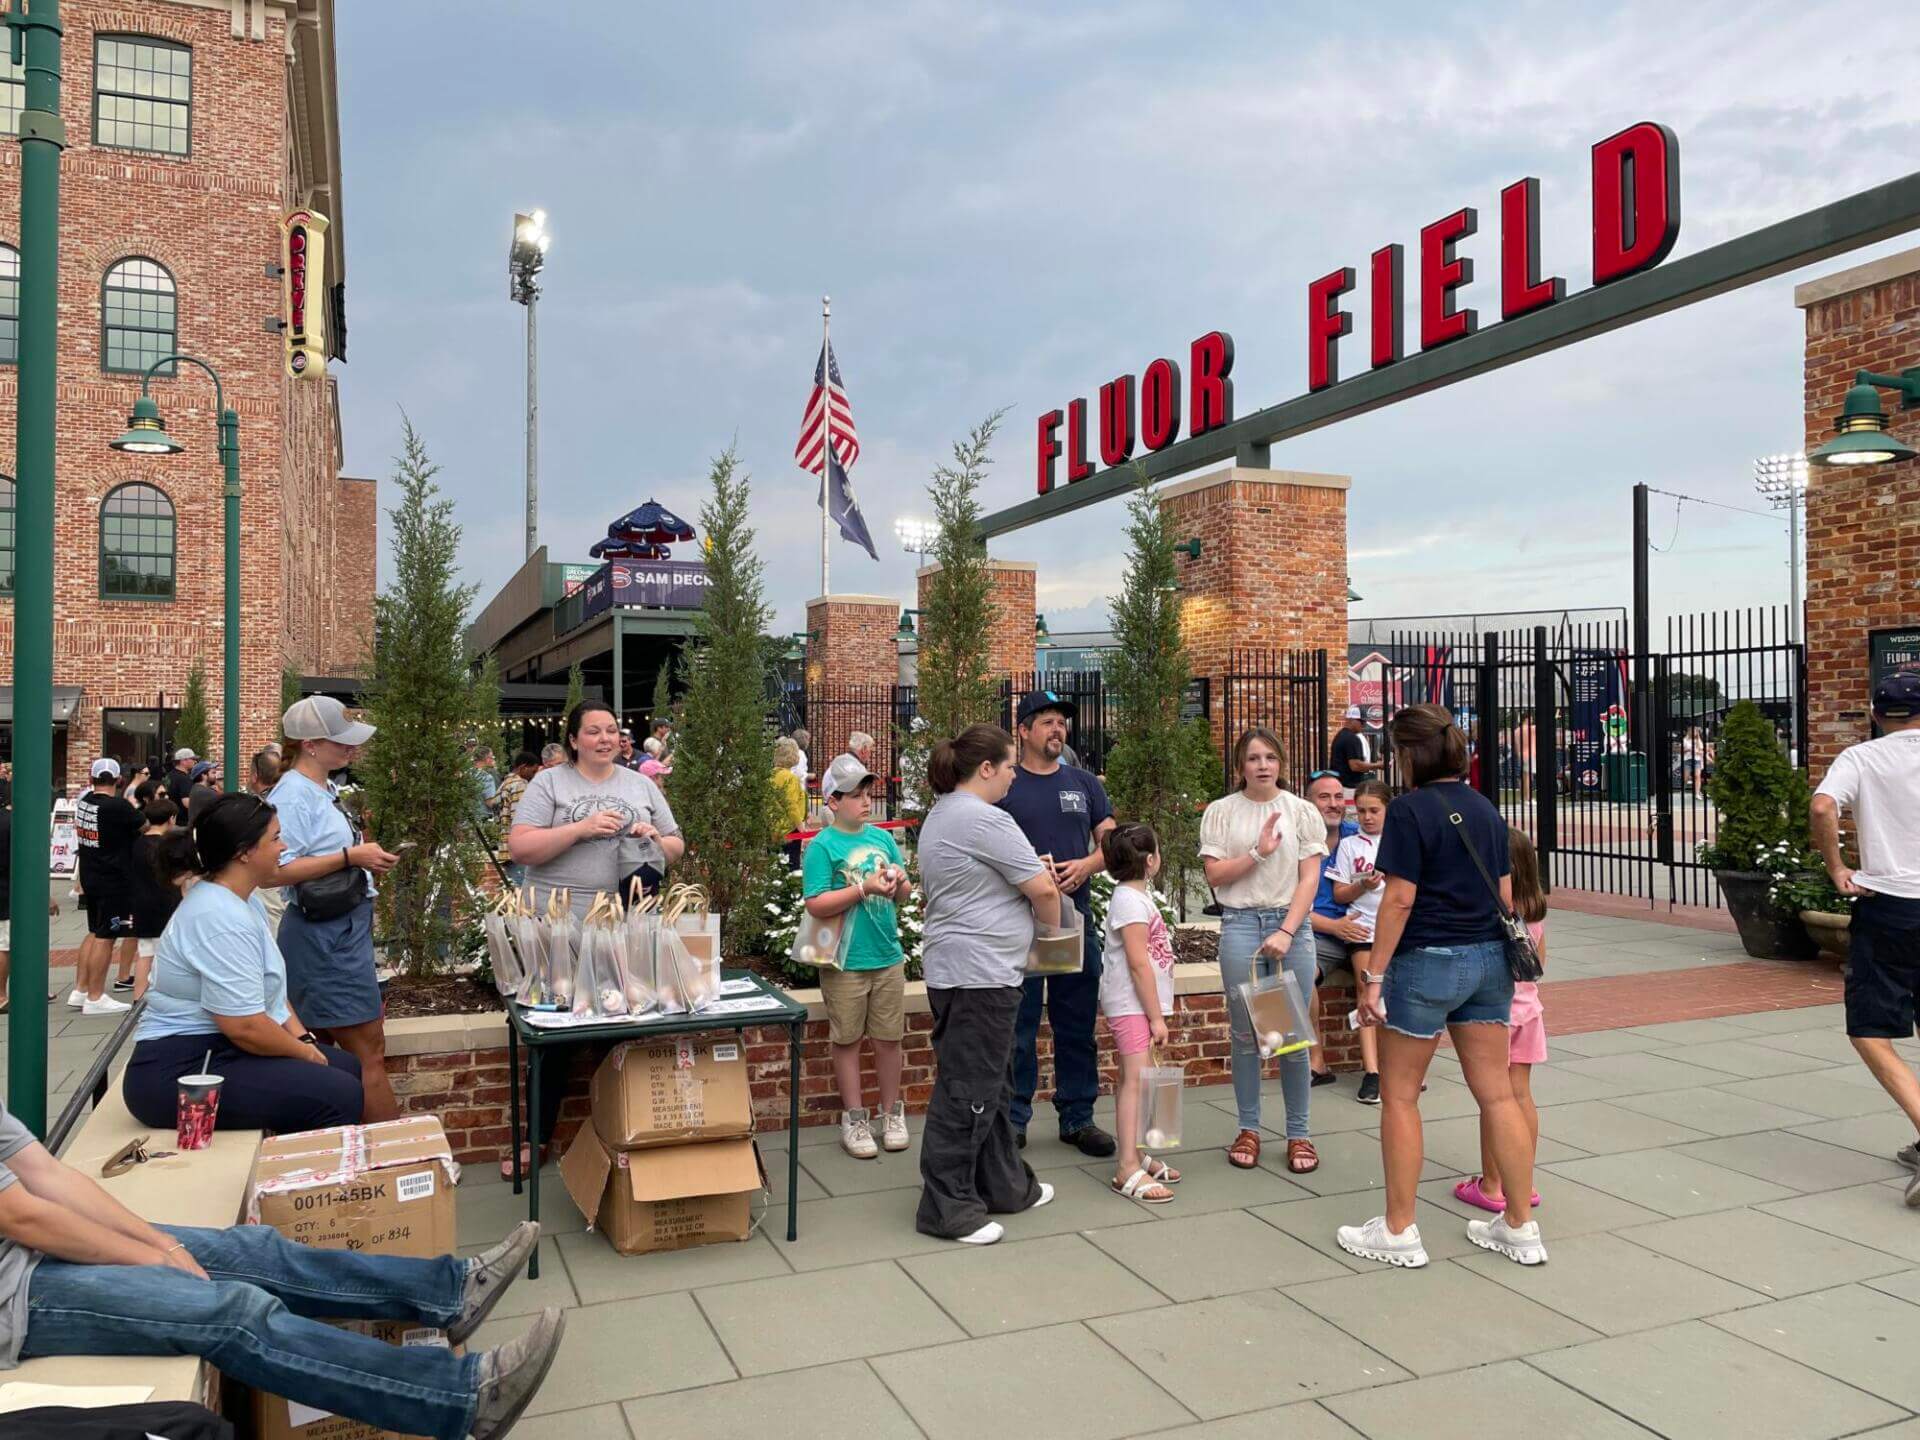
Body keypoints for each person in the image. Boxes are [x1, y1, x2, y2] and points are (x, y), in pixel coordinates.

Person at [0, 1120, 564, 1440]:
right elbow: (22, 1215)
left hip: (29, 1248)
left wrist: (160, 1243)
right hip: (15, 1295)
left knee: (247, 1250)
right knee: (234, 1314)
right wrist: (146, 1257)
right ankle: (462, 1399)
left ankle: (449, 1292)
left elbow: (46, 1175)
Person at [1340, 703, 1545, 1269]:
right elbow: (1505, 895)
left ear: (1411, 754)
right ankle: (1519, 1224)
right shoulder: (1484, 808)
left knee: (1400, 1094)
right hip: (1488, 961)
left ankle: (1400, 1229)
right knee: (1497, 1094)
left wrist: (1374, 975)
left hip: (1426, 960)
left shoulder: (1409, 812)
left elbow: (1399, 899)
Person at [508, 700, 685, 1175]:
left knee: (621, 1033)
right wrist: (581, 828)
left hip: (624, 927)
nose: (605, 739)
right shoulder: (549, 783)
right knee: (555, 1036)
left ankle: (618, 1139)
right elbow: (520, 846)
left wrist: (652, 837)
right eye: (593, 732)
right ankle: (537, 1138)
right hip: (558, 927)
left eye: (611, 730)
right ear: (573, 740)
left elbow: (675, 845)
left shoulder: (640, 784)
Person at [122, 793, 366, 1132]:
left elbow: (271, 994)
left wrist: (305, 1040)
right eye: (276, 838)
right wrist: (306, 1055)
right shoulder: (218, 916)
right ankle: (305, 1181)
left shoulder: (240, 901)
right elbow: (245, 1027)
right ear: (244, 852)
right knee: (338, 1094)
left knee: (346, 1067)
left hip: (217, 1048)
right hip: (180, 1069)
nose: (284, 847)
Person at [915, 724, 1059, 1244]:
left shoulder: (945, 814)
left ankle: (1004, 1185)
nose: (1015, 775)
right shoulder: (984, 818)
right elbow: (1042, 890)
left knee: (994, 1085)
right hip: (978, 975)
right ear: (986, 769)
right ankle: (946, 1208)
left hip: (970, 970)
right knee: (969, 1090)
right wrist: (1050, 932)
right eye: (1009, 765)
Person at [1812, 670, 1920, 1209]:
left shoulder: (1863, 757)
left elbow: (1822, 807)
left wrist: (1837, 867)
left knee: (1872, 1028)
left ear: (1877, 714)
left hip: (1892, 905)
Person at [270, 696, 401, 1124]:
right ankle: (394, 1159)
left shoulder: (316, 789)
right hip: (327, 935)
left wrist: (357, 859)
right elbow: (276, 869)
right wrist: (352, 857)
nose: (351, 749)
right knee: (369, 1053)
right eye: (340, 741)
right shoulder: (294, 795)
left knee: (326, 1047)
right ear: (309, 743)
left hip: (330, 930)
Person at [1200, 730, 1326, 1173]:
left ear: (1282, 762)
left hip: (1289, 927)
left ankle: (1299, 1133)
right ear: (1240, 766)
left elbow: (1309, 879)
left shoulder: (1302, 812)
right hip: (1240, 925)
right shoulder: (1222, 812)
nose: (1262, 765)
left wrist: (1288, 931)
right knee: (1247, 1034)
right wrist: (1258, 851)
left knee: (1290, 1035)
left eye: (1270, 756)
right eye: (1253, 758)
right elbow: (1215, 876)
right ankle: (1249, 1127)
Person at [998, 691, 1117, 1157]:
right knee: (1019, 1026)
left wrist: (1089, 865)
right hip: (1019, 923)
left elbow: (1113, 843)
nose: (1056, 729)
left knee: (1075, 1021)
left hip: (1072, 923)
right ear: (1023, 730)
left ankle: (1078, 1117)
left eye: (1060, 722)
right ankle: (1014, 1119)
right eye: (1046, 721)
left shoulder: (1084, 783)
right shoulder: (1006, 785)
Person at [804, 755, 913, 1159]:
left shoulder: (883, 839)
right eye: (855, 795)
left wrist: (900, 881)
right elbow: (816, 903)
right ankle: (854, 1116)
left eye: (868, 794)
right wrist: (863, 889)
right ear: (832, 802)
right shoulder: (822, 847)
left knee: (889, 1038)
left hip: (886, 954)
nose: (866, 802)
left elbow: (903, 894)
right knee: (847, 1040)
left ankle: (891, 1113)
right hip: (845, 960)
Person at [1456, 825, 1548, 1215]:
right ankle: (1522, 1182)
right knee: (1521, 1096)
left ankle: (1492, 1184)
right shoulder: (1535, 912)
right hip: (1530, 1012)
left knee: (1493, 1101)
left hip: (1495, 1015)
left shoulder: (1489, 913)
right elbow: (1539, 966)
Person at [1100, 822, 1182, 1204]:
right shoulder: (1130, 902)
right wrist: (1155, 1017)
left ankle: (1134, 1150)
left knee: (1133, 1078)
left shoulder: (1133, 898)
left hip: (1137, 1006)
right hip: (1133, 1006)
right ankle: (1126, 1166)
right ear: (1151, 861)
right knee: (1135, 1080)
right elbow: (1137, 962)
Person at [1327, 781, 1393, 1099]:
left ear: (1387, 810)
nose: (1367, 817)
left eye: (1374, 810)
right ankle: (1372, 1071)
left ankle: (1400, 1066)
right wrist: (1362, 887)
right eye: (1361, 810)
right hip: (1363, 928)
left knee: (1401, 995)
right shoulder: (1350, 846)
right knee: (1366, 992)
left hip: (1397, 930)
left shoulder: (1401, 843)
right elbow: (1340, 892)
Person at [1304, 771, 1368, 1091]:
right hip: (1322, 934)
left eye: (1338, 797)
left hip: (1363, 931)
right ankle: (1316, 1061)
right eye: (1324, 797)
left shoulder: (1360, 835)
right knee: (1299, 970)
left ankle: (1391, 1065)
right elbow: (1290, 907)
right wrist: (1335, 926)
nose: (1333, 804)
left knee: (1390, 975)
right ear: (1308, 802)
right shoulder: (1298, 844)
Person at [70, 759, 137, 1016]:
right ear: (119, 780)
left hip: (91, 875)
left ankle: (81, 989)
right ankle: (96, 996)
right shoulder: (118, 806)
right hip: (114, 879)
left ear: (92, 779)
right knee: (106, 937)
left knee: (94, 932)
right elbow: (144, 825)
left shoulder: (85, 801)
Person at [121, 795, 183, 1000]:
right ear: (171, 818)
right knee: (168, 955)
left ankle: (138, 998)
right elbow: (174, 878)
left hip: (141, 903)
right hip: (164, 905)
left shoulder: (139, 842)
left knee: (145, 953)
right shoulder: (165, 846)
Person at [771, 737, 808, 868]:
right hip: (789, 828)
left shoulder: (771, 775)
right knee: (792, 866)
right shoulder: (790, 778)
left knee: (777, 866)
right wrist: (801, 827)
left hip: (774, 827)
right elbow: (791, 804)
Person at [1332, 707, 1382, 797]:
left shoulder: (1341, 735)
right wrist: (1379, 765)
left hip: (1341, 785)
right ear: (1351, 720)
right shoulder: (1352, 738)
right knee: (1353, 811)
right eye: (1362, 722)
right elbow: (1355, 766)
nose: (1364, 725)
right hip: (1349, 788)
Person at [492, 750, 539, 829]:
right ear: (523, 767)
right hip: (514, 835)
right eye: (533, 771)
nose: (533, 776)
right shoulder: (520, 785)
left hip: (502, 833)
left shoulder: (505, 783)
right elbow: (519, 817)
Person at [790, 727, 812, 791]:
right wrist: (809, 775)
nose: (808, 742)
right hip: (797, 787)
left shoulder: (791, 751)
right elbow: (799, 773)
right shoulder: (800, 754)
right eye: (808, 739)